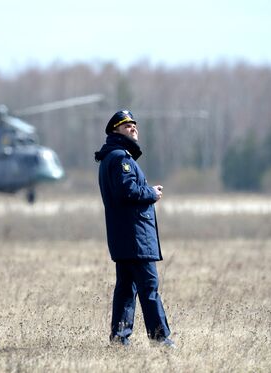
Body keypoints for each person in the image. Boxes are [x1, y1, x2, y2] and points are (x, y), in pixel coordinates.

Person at [94, 110, 175, 348]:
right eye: (126, 125)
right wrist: (152, 193)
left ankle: (120, 339)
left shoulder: (113, 157)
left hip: (125, 239)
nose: (133, 128)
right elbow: (128, 191)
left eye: (134, 124)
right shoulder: (121, 158)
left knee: (126, 291)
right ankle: (161, 339)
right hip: (136, 239)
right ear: (115, 131)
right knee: (149, 289)